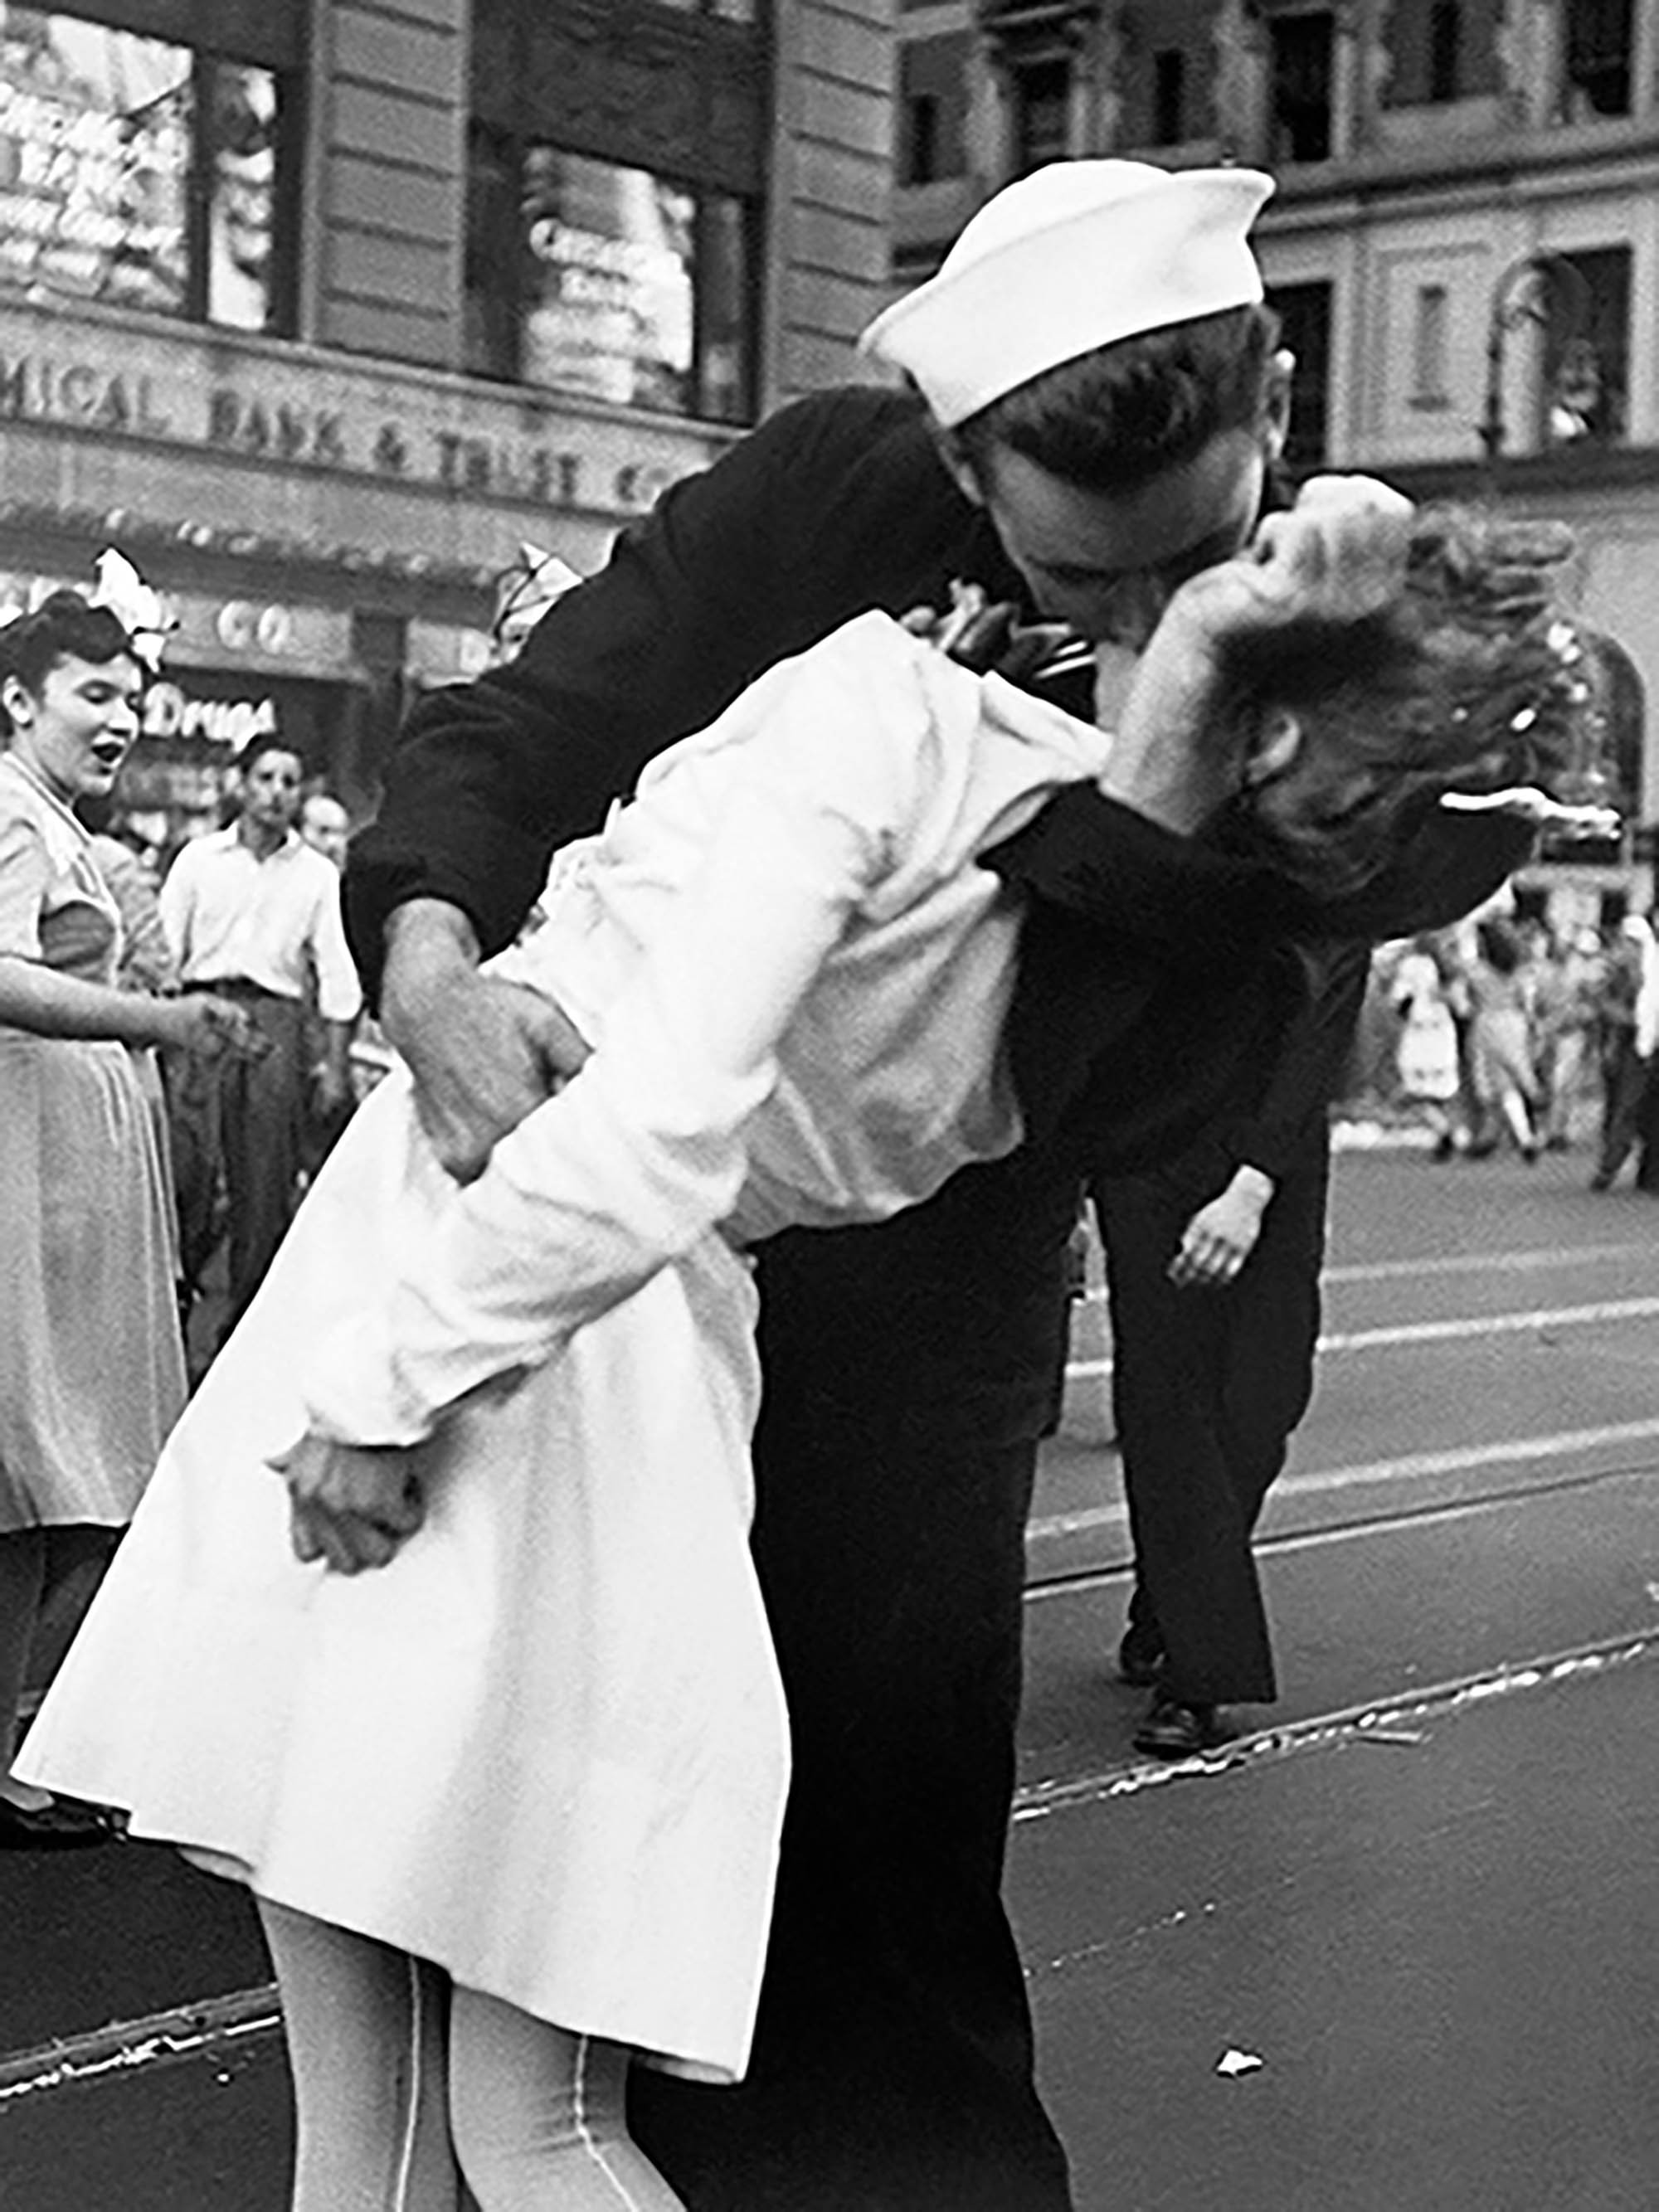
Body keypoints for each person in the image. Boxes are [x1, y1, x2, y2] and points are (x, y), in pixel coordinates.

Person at [20, 502, 1587, 2202]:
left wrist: (386, 1384)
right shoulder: (1129, 949)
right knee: (497, 2121)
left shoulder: (909, 738)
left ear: (1255, 722)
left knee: (438, 2129)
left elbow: (647, 1120)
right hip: (621, 1372)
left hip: (489, 1315)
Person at [328, 159, 1561, 2209]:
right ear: (962, 461)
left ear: (1269, 404)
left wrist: (1206, 723)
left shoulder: (1318, 625)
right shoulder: (833, 491)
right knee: (523, 1877)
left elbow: (1144, 1077)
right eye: (1083, 575)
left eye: (1184, 557)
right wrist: (429, 953)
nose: (1134, 616)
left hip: (920, 1307)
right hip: (611, 1277)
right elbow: (532, 720)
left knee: (868, 1888)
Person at [0, 585, 260, 1849]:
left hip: (63, 1163)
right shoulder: (11, 811)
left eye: (133, 700)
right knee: (32, 1466)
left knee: (47, 1480)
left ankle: (13, 1747)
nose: (120, 720)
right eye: (93, 694)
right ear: (18, 699)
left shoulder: (49, 817)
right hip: (28, 1162)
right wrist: (160, 1018)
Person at [159, 737, 362, 1339]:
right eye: (266, 778)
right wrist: (162, 1027)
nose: (276, 793)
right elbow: (165, 950)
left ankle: (244, 1331)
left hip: (274, 1021)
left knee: (265, 1178)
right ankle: (170, 1309)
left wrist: (334, 1066)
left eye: (289, 782)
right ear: (241, 783)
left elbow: (337, 973)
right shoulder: (199, 860)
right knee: (187, 1169)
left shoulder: (317, 875)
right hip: (201, 1011)